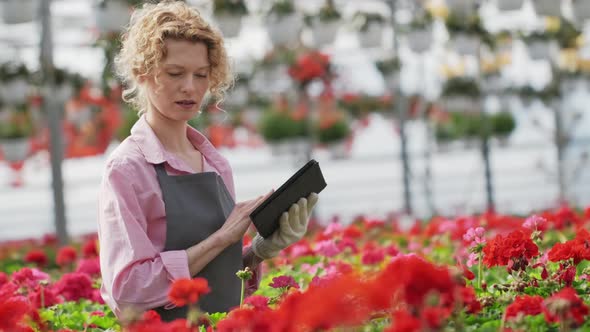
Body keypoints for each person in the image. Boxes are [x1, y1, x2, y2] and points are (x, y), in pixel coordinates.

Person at [97, 0, 318, 322]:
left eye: (201, 75)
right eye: (175, 73)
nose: (190, 87)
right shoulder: (128, 169)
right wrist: (222, 238)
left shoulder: (214, 163)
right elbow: (128, 290)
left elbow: (216, 274)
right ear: (141, 74)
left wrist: (259, 251)